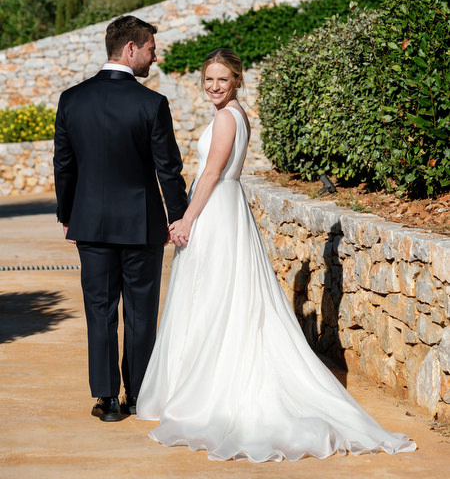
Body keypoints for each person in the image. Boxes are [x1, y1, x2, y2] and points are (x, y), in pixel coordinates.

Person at [136, 48, 416, 462]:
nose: (214, 86)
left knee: (213, 298)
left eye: (222, 79)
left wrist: (186, 219)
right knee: (217, 297)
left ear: (236, 80)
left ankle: (205, 391)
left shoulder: (227, 117)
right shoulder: (237, 114)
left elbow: (212, 173)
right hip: (224, 209)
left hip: (214, 210)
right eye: (208, 80)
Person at [53, 15, 187, 422]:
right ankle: (140, 394)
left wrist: (67, 213)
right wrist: (179, 218)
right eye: (150, 48)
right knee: (141, 311)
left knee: (100, 309)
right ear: (130, 49)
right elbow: (168, 170)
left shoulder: (71, 99)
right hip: (141, 224)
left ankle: (107, 399)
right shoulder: (152, 103)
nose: (154, 55)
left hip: (90, 222)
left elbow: (64, 164)